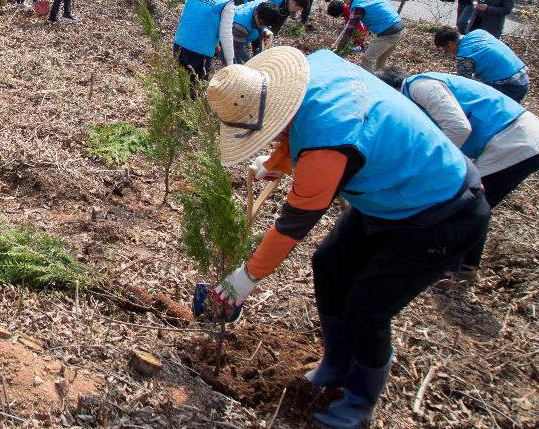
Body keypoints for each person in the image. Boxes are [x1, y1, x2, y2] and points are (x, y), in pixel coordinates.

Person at [206, 48, 487, 429]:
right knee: (329, 264)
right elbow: (301, 119)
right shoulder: (317, 66)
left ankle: (359, 401)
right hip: (388, 197)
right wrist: (275, 162)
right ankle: (336, 362)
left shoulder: (328, 146)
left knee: (367, 308)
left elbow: (292, 225)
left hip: (440, 211)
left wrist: (243, 280)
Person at [376, 66, 539, 278]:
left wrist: (439, 164)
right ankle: (467, 267)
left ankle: (447, 269)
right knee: (477, 203)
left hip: (513, 139)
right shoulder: (415, 92)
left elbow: (459, 128)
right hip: (516, 141)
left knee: (462, 203)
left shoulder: (420, 86)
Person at [172, 0, 245, 80]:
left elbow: (185, 16)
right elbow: (225, 34)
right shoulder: (227, 2)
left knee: (179, 82)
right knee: (195, 90)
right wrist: (230, 61)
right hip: (201, 51)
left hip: (180, 43)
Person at [433, 26, 529, 102]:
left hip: (509, 86)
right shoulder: (479, 33)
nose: (449, 53)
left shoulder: (464, 57)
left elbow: (463, 85)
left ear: (450, 44)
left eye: (446, 50)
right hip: (522, 76)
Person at [334, 0, 404, 72]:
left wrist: (339, 50)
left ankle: (368, 84)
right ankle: (382, 82)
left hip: (389, 34)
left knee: (367, 59)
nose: (344, 3)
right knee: (381, 62)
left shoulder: (357, 6)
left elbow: (349, 30)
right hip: (399, 28)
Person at [231, 0, 287, 64]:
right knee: (234, 64)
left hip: (241, 32)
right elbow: (238, 48)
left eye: (266, 25)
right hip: (228, 37)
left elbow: (262, 25)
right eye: (261, 24)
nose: (262, 27)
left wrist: (265, 30)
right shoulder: (241, 26)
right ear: (256, 13)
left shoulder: (265, 4)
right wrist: (253, 62)